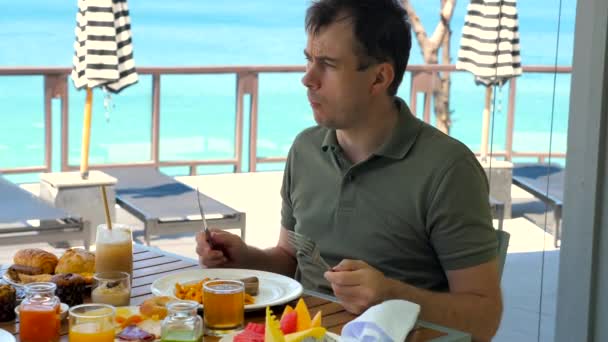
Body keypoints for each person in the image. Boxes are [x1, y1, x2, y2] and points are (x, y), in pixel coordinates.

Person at [196, 0, 502, 340]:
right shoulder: (305, 150)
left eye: (327, 64)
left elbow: (485, 317)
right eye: (309, 59)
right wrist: (243, 257)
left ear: (379, 77)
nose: (307, 79)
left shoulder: (448, 170)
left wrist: (390, 294)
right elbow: (290, 258)